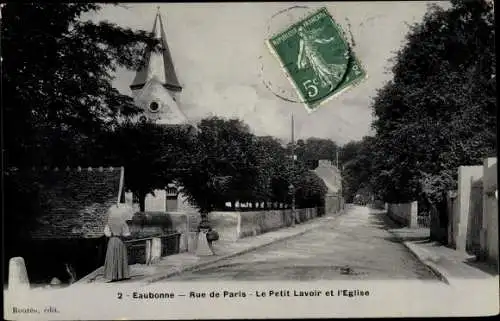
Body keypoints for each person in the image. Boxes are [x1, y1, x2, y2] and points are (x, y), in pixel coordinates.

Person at [103, 204, 132, 282]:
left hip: (112, 240)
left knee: (112, 257)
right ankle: (122, 275)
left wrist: (112, 233)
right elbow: (126, 234)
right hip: (120, 241)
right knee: (121, 256)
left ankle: (112, 276)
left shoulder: (109, 222)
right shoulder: (123, 222)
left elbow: (107, 233)